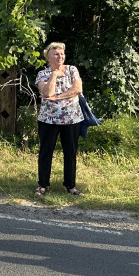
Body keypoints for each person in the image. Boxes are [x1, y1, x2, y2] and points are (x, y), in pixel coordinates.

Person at [35, 42, 84, 196]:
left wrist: (57, 98)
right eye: (56, 54)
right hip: (48, 119)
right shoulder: (42, 74)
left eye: (62, 53)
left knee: (70, 152)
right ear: (48, 56)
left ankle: (70, 186)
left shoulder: (72, 70)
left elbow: (77, 89)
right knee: (45, 151)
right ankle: (42, 185)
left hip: (71, 119)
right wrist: (54, 75)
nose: (60, 56)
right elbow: (47, 92)